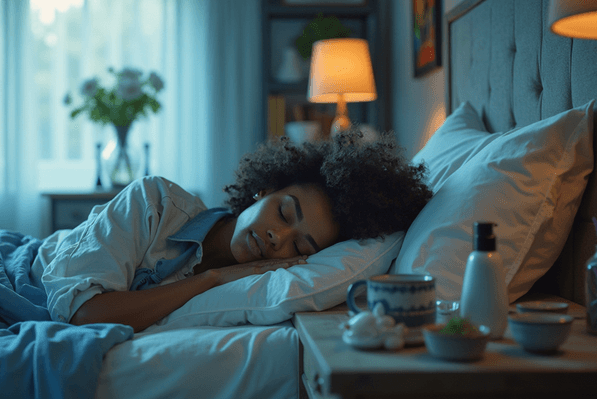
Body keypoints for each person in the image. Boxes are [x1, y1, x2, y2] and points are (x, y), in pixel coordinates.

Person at [34, 127, 433, 332]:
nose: (278, 237)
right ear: (263, 189)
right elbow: (86, 314)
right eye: (283, 212)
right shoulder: (154, 203)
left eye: (300, 244)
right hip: (27, 268)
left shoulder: (259, 287)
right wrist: (211, 279)